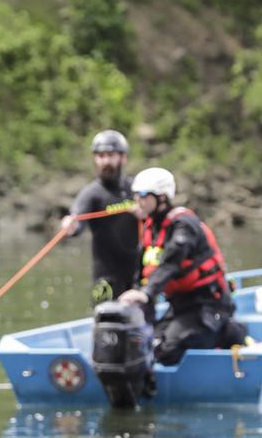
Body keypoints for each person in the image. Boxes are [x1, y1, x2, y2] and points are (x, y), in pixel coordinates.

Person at [117, 168, 245, 367]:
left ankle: (228, 332)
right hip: (179, 306)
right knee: (147, 345)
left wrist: (147, 293)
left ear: (161, 197)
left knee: (168, 351)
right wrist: (139, 301)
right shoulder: (151, 227)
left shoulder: (184, 225)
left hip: (208, 305)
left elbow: (172, 262)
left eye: (142, 195)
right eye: (135, 195)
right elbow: (142, 273)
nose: (137, 200)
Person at [60, 129, 138, 303]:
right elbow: (77, 221)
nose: (105, 161)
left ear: (123, 158)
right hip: (106, 280)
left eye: (111, 155)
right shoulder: (91, 194)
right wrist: (70, 226)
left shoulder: (136, 189)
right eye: (101, 156)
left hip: (138, 277)